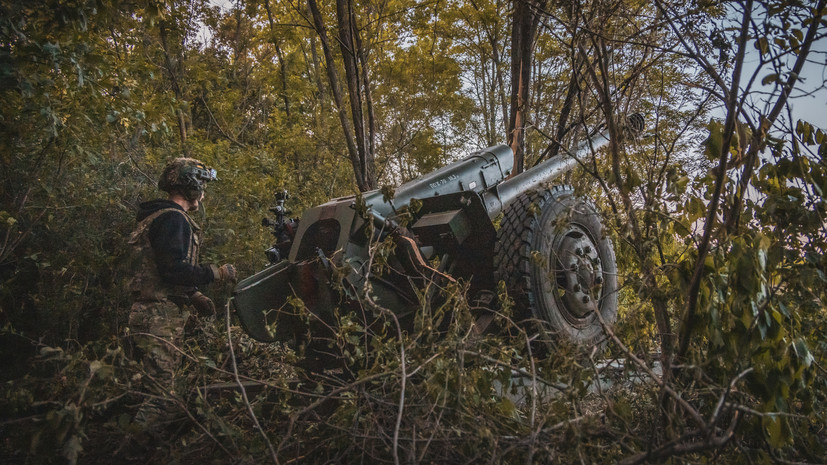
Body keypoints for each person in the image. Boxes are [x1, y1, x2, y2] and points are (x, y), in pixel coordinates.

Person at [126, 157, 236, 432]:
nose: (204, 192)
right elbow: (173, 269)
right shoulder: (174, 218)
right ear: (191, 185)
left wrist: (192, 293)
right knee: (161, 397)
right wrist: (215, 273)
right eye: (202, 185)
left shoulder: (157, 216)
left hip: (147, 313)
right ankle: (128, 452)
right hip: (159, 317)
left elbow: (158, 267)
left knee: (156, 388)